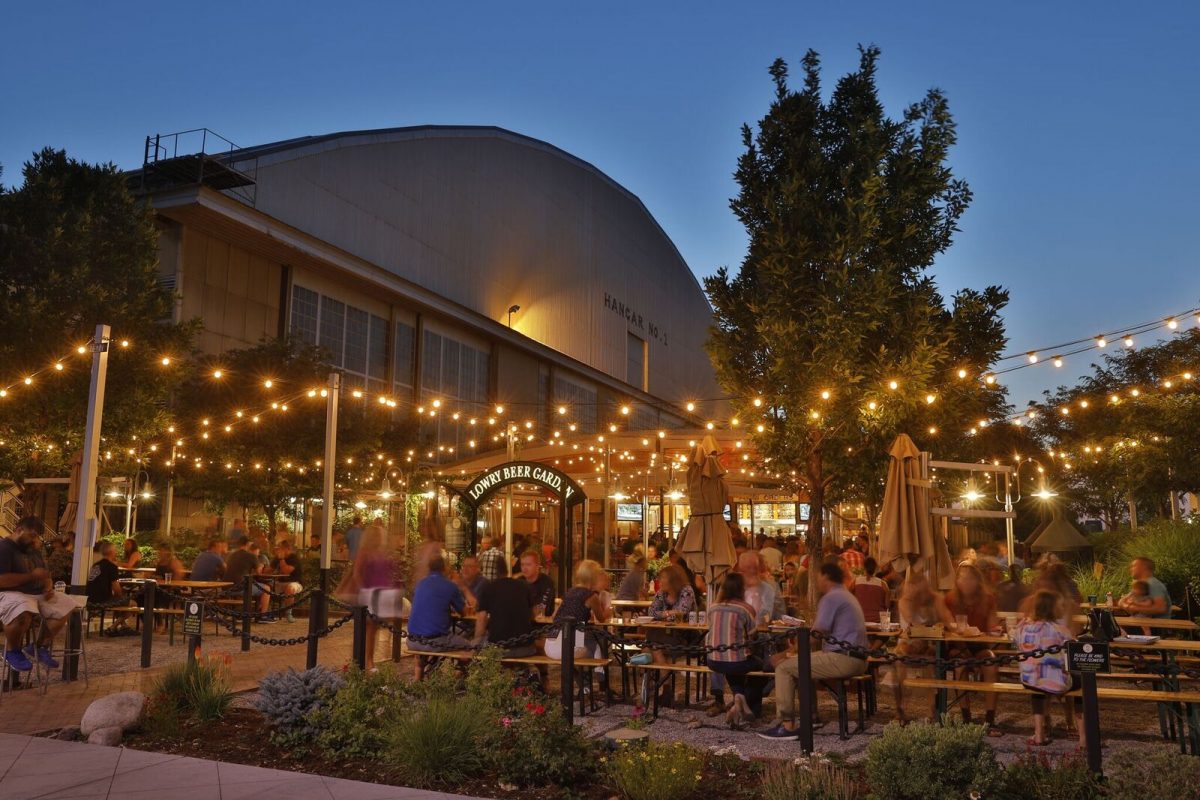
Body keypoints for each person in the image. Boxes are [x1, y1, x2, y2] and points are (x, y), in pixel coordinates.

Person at [759, 562, 868, 740]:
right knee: (804, 662)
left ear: (825, 576)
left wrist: (787, 652)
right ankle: (811, 716)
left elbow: (816, 633)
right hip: (857, 658)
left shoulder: (832, 597)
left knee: (784, 667)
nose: (816, 582)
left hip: (843, 658)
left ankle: (787, 725)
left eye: (817, 578)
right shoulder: (846, 595)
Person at [0, 517, 78, 670]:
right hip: (10, 593)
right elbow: (1, 580)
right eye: (32, 535)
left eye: (37, 536)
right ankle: (12, 650)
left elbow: (45, 574)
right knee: (22, 608)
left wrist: (48, 586)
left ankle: (39, 646)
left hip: (36, 593)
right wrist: (31, 576)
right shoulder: (4, 549)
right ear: (19, 530)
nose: (35, 540)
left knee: (67, 604)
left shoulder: (32, 550)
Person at [1015, 589, 1084, 748]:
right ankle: (1084, 738)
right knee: (1083, 683)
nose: (1062, 607)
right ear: (1052, 607)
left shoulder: (1023, 625)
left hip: (1028, 680)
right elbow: (1072, 647)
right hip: (1056, 683)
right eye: (1060, 605)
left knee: (1038, 681)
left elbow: (1014, 639)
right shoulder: (1059, 629)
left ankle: (1039, 734)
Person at [891, 570, 955, 723]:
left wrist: (941, 622)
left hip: (930, 644)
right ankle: (900, 709)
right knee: (898, 662)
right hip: (908, 644)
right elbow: (912, 623)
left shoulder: (936, 599)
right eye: (913, 586)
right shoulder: (905, 602)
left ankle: (933, 709)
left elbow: (949, 621)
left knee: (931, 661)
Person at [944, 563, 1001, 733]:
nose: (965, 582)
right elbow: (946, 626)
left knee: (991, 663)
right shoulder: (949, 600)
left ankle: (990, 717)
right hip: (957, 647)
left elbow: (992, 627)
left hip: (979, 646)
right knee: (960, 665)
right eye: (962, 578)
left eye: (969, 578)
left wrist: (995, 630)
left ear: (977, 581)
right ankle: (966, 716)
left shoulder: (988, 599)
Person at [705, 572, 767, 729]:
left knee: (730, 662)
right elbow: (753, 636)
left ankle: (738, 698)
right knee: (760, 669)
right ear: (741, 589)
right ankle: (752, 709)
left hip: (714, 661)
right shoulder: (746, 609)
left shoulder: (712, 608)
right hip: (736, 661)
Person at [349, 525, 406, 671]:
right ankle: (366, 661)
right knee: (369, 629)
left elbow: (390, 570)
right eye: (377, 535)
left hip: (382, 593)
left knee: (375, 629)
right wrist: (364, 592)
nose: (380, 537)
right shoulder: (364, 552)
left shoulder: (380, 552)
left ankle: (366, 660)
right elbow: (357, 573)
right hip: (371, 594)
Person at [545, 559, 611, 660]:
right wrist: (609, 612)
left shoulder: (569, 592)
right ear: (593, 578)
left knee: (586, 641)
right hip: (567, 648)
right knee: (597, 645)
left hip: (550, 646)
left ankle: (578, 674)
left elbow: (554, 616)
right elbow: (601, 619)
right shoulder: (592, 596)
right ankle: (598, 673)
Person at [407, 555, 471, 656]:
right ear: (445, 568)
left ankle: (423, 670)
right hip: (434, 642)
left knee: (448, 636)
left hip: (412, 641)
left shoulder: (420, 583)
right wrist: (461, 586)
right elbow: (464, 612)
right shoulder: (449, 586)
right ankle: (461, 671)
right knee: (469, 646)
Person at [473, 565, 538, 658]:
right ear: (507, 571)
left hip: (498, 649)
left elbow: (481, 619)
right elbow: (533, 615)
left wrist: (476, 641)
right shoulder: (524, 586)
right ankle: (543, 672)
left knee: (472, 645)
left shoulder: (489, 588)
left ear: (495, 573)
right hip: (526, 648)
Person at [645, 565, 697, 667]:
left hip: (683, 636)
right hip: (664, 634)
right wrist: (668, 613)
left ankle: (662, 681)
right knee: (649, 647)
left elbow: (682, 613)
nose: (660, 581)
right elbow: (651, 612)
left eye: (664, 578)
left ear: (673, 579)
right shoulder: (661, 593)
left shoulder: (686, 591)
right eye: (660, 578)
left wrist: (662, 614)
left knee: (652, 647)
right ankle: (662, 682)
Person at [86, 540, 129, 634]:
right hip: (103, 599)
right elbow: (116, 589)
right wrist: (122, 595)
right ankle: (113, 626)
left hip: (90, 598)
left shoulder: (96, 565)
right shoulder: (111, 566)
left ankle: (124, 626)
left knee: (120, 601)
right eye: (115, 550)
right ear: (111, 552)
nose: (116, 552)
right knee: (132, 603)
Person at [225, 535, 272, 620]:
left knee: (250, 585)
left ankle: (242, 613)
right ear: (247, 544)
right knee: (267, 589)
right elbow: (259, 572)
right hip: (241, 588)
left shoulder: (231, 555)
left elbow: (227, 568)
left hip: (227, 588)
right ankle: (263, 616)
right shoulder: (251, 556)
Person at [270, 540, 304, 622]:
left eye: (280, 548)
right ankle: (265, 612)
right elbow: (269, 570)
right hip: (279, 583)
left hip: (295, 582)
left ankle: (288, 613)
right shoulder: (278, 557)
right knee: (266, 587)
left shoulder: (293, 558)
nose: (278, 550)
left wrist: (281, 559)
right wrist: (261, 566)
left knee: (290, 588)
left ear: (287, 549)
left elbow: (286, 571)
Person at [851, 557, 889, 624]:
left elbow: (849, 602)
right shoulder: (883, 585)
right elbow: (887, 605)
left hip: (859, 620)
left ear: (863, 567)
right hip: (878, 622)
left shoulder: (855, 582)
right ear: (876, 568)